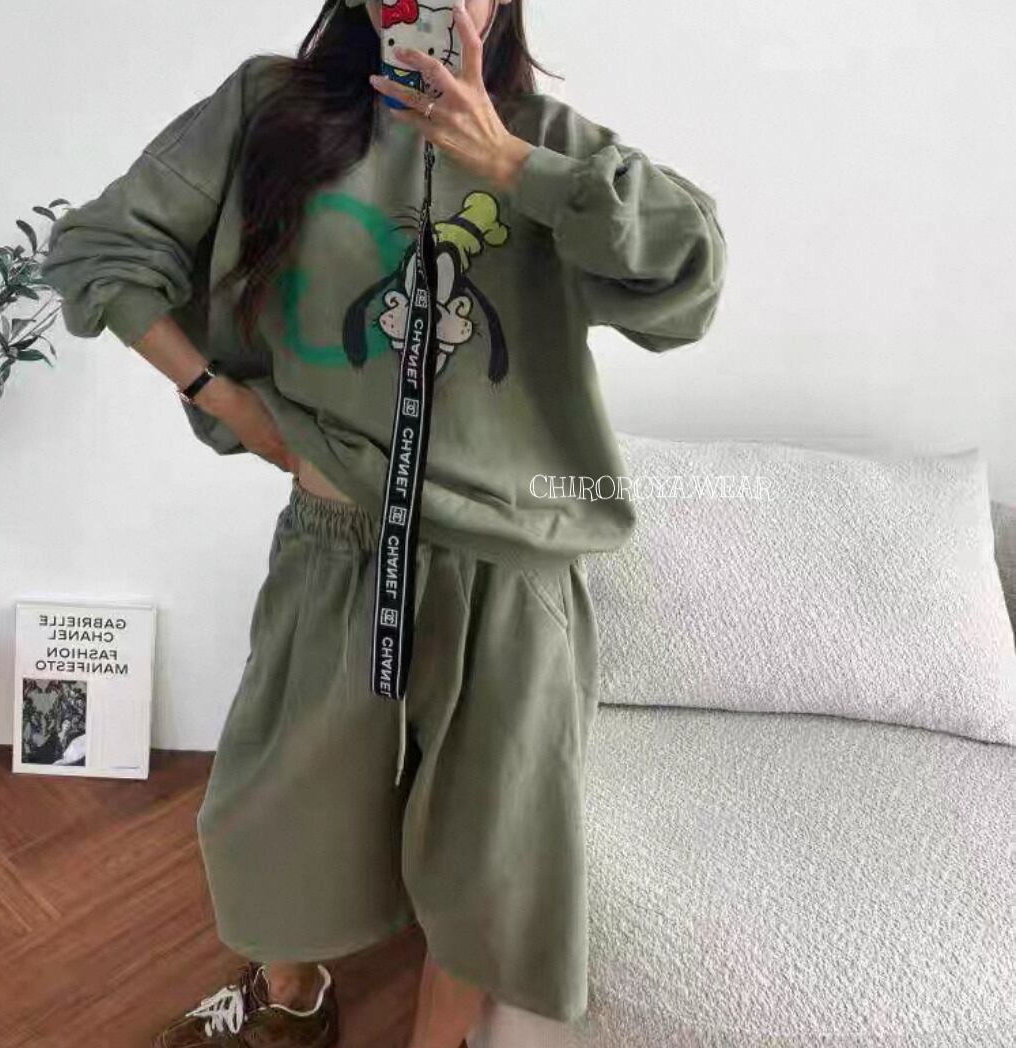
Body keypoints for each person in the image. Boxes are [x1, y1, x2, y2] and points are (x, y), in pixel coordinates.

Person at [39, 1, 727, 1045]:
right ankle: (291, 1001)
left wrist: (514, 167)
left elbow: (689, 282)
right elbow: (101, 250)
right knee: (272, 812)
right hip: (340, 548)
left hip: (511, 565)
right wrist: (228, 403)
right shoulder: (271, 109)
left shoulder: (553, 143)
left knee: (488, 852)